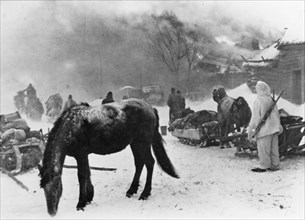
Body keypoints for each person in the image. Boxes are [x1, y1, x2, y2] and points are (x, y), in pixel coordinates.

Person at [247, 81, 283, 172]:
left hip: (264, 129)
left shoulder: (258, 100)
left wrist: (250, 130)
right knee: (274, 148)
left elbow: (255, 118)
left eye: (257, 88)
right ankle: (275, 165)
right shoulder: (271, 99)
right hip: (274, 128)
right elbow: (277, 115)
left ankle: (264, 166)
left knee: (263, 149)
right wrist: (278, 126)